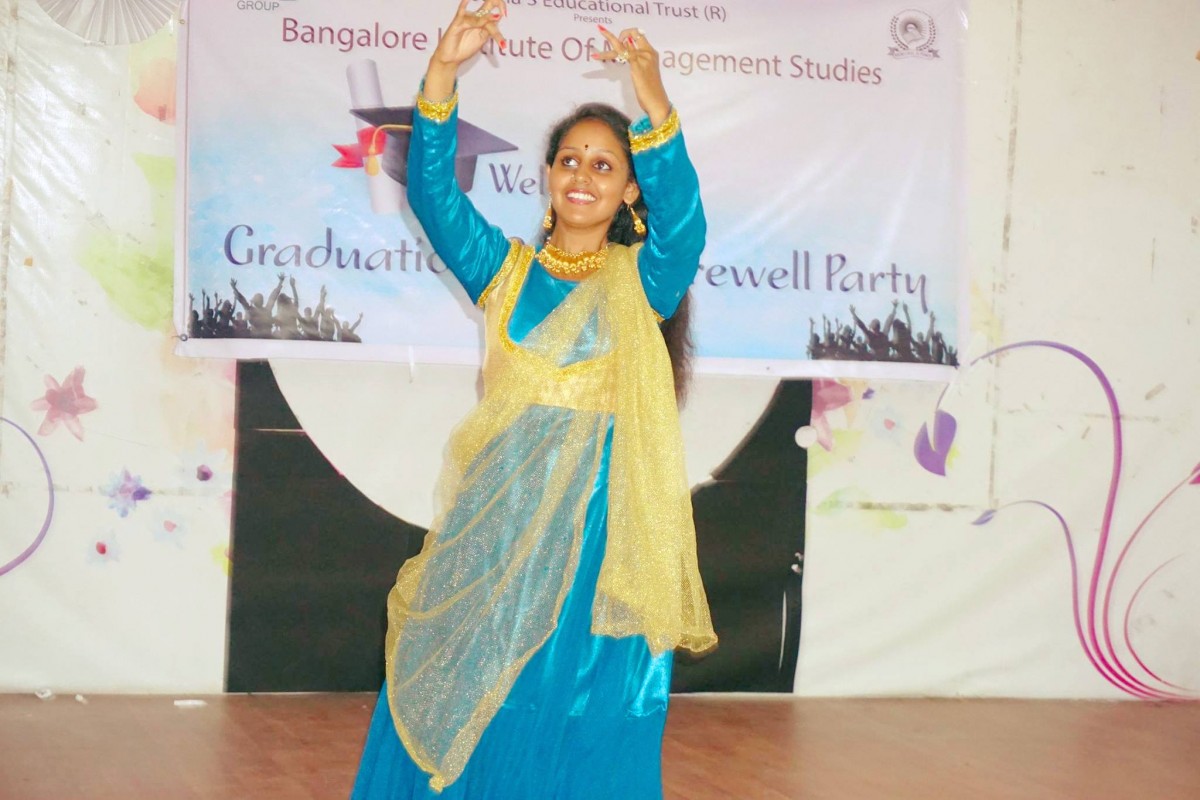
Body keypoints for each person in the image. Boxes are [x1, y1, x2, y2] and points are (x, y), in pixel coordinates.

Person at [351, 1, 716, 797]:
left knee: (588, 703)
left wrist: (654, 102)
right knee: (477, 684)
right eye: (569, 160)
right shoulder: (504, 271)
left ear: (630, 192)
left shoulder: (643, 283)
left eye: (605, 166)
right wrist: (442, 72)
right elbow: (432, 195)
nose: (583, 175)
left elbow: (686, 227)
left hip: (601, 535)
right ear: (548, 177)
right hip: (502, 519)